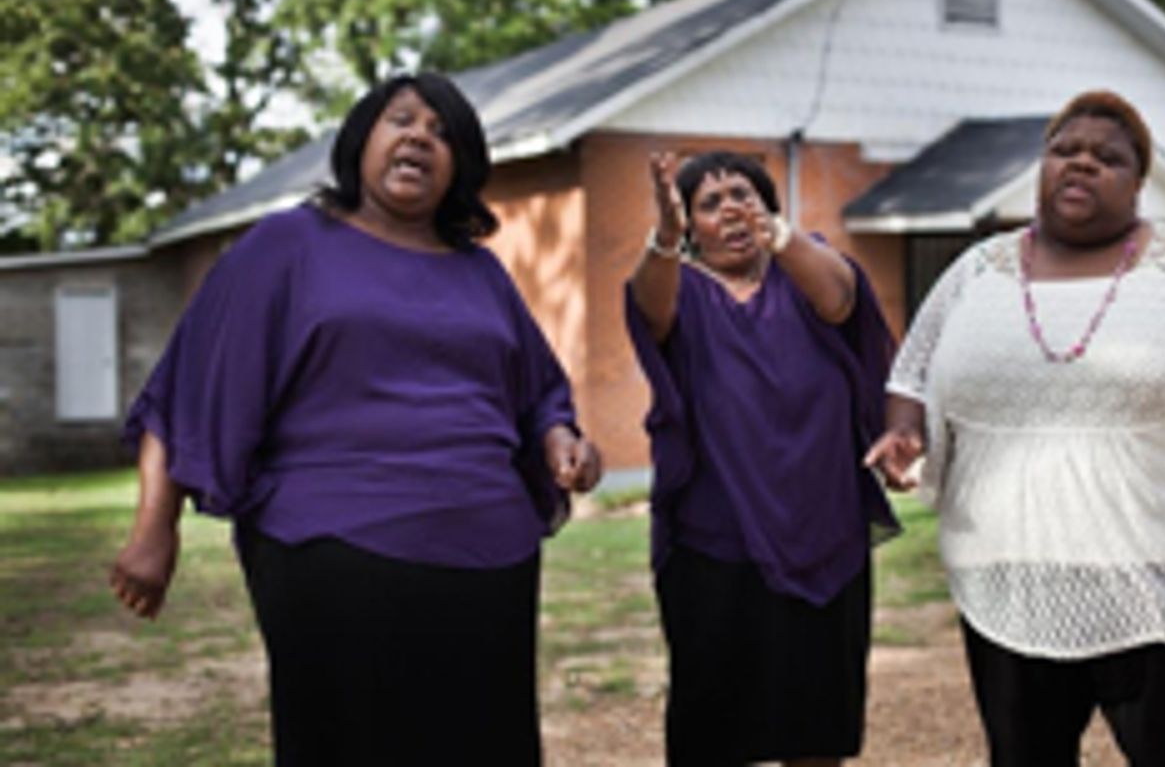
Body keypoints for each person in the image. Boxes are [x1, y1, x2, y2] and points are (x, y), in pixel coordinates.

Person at [109, 72, 602, 766]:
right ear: (361, 139)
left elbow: (538, 395)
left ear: (460, 165)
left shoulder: (481, 273)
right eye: (402, 120)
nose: (420, 138)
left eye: (442, 133)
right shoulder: (284, 246)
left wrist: (562, 441)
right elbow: (189, 385)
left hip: (489, 557)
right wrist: (151, 533)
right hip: (334, 551)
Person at [865, 90, 1165, 767]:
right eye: (1065, 150)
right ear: (1042, 165)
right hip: (1009, 568)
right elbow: (911, 377)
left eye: (1108, 157)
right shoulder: (978, 272)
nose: (1082, 164)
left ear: (1139, 182)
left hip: (1156, 565)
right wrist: (904, 435)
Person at [625, 150, 899, 767]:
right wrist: (664, 237)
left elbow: (841, 300)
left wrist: (780, 234)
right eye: (710, 202)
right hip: (716, 544)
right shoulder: (682, 289)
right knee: (716, 729)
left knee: (817, 727)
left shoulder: (806, 268)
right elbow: (648, 306)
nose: (729, 209)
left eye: (742, 194)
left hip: (823, 534)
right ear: (689, 225)